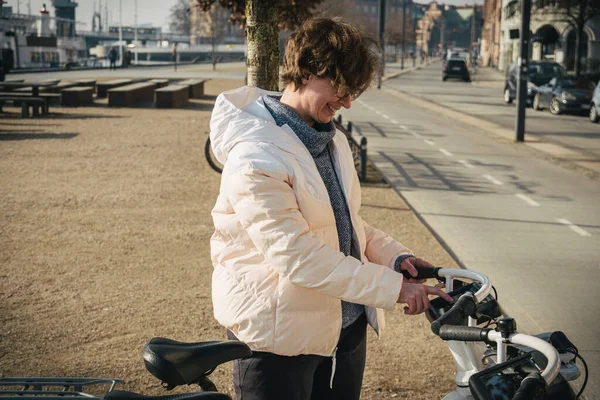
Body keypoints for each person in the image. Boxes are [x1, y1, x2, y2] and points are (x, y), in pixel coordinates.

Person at [209, 16, 453, 400]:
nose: (348, 102)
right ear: (306, 71)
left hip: (342, 331)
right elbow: (298, 256)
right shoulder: (256, 156)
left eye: (354, 91)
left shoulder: (332, 139)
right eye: (341, 87)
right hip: (278, 340)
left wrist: (394, 258)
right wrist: (393, 289)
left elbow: (345, 222)